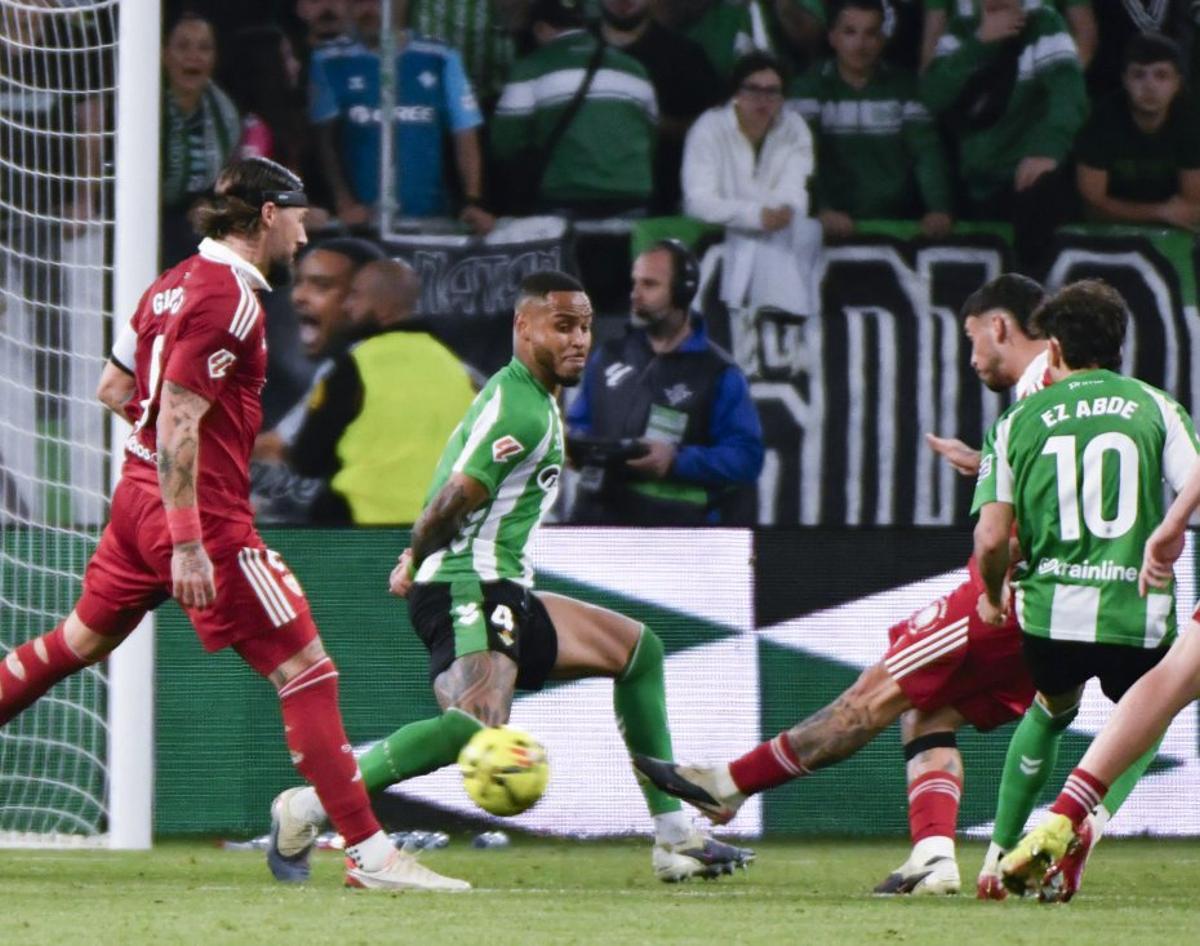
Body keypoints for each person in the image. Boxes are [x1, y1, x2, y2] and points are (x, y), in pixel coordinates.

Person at [0, 157, 465, 891]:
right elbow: (181, 418)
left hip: (135, 498)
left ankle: (355, 846)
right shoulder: (230, 301)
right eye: (300, 213)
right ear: (267, 215)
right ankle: (371, 855)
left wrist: (164, 469)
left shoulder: (174, 281)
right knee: (306, 669)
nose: (307, 231)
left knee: (74, 643)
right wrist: (187, 537)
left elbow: (114, 387)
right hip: (200, 523)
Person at [266, 270, 754, 883]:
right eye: (563, 326)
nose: (579, 340)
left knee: (639, 652)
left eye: (584, 326)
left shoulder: (530, 397)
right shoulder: (520, 408)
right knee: (471, 727)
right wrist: (417, 560)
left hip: (501, 585)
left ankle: (674, 835)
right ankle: (308, 807)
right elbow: (450, 500)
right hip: (468, 584)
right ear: (524, 328)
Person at [632, 274, 1051, 896]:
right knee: (928, 715)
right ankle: (934, 855)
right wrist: (986, 468)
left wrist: (996, 583)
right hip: (1051, 611)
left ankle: (728, 785)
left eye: (971, 341)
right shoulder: (1073, 391)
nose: (971, 359)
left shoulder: (1033, 393)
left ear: (999, 327)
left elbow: (1016, 532)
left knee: (866, 702)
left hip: (1004, 598)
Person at [968, 280, 1200, 900]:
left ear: (1054, 344)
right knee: (1145, 718)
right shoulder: (1156, 406)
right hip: (1139, 611)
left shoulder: (1017, 420)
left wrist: (993, 594)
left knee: (1050, 707)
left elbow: (992, 539)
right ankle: (1086, 824)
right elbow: (1192, 484)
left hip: (1052, 618)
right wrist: (1170, 528)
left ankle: (994, 860)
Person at [567, 240, 765, 525]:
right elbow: (581, 422)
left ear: (682, 292)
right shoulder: (608, 356)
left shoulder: (718, 372)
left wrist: (676, 460)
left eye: (649, 285)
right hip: (596, 513)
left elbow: (747, 458)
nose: (635, 294)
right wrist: (574, 446)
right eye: (634, 283)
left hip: (673, 524)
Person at [283, 258, 477, 524]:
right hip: (439, 534)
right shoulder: (455, 369)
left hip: (363, 534)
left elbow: (307, 458)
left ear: (384, 306)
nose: (347, 306)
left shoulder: (356, 365)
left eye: (355, 296)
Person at [920, 0, 1087, 273]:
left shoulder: (1044, 23)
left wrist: (1046, 151)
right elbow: (932, 97)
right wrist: (979, 42)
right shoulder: (964, 26)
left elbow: (1070, 97)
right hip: (971, 177)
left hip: (1023, 175)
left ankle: (1033, 297)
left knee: (1043, 191)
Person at [309, 0, 493, 233]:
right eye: (357, 3)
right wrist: (344, 201)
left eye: (377, 3)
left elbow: (465, 132)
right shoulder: (329, 60)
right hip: (361, 221)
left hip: (431, 218)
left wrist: (473, 200)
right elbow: (324, 141)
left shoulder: (440, 56)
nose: (367, 10)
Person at [789, 0, 954, 240]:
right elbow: (798, 155)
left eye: (871, 33)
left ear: (882, 39)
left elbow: (927, 153)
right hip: (827, 227)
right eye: (850, 32)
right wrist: (820, 209)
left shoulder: (906, 88)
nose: (860, 44)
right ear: (833, 37)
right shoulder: (807, 88)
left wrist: (939, 209)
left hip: (895, 223)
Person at [682, 50, 819, 322]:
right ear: (736, 92)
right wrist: (755, 216)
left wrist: (781, 211)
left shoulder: (794, 127)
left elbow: (796, 184)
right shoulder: (709, 127)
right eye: (753, 90)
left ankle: (785, 318)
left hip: (777, 226)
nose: (763, 100)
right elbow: (698, 201)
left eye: (772, 92)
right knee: (760, 234)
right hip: (720, 226)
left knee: (807, 230)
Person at [491, 0, 658, 217]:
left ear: (540, 28)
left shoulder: (529, 69)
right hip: (632, 196)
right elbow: (651, 137)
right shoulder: (635, 69)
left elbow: (504, 143)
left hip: (564, 196)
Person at [600, 0, 724, 212]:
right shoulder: (573, 51)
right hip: (579, 198)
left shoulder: (685, 55)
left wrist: (657, 124)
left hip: (660, 203)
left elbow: (717, 125)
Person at [1075, 33, 1200, 231]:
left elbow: (1191, 208)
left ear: (1177, 83)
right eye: (1139, 74)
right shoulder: (1101, 120)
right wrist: (1160, 212)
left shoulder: (1192, 121)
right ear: (1124, 80)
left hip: (1175, 233)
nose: (1149, 86)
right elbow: (1092, 207)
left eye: (1161, 75)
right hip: (1109, 232)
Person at [160, 12, 243, 267]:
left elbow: (227, 175)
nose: (194, 56)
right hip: (147, 215)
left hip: (194, 215)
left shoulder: (224, 111)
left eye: (204, 48)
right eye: (183, 46)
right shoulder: (148, 103)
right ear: (164, 54)